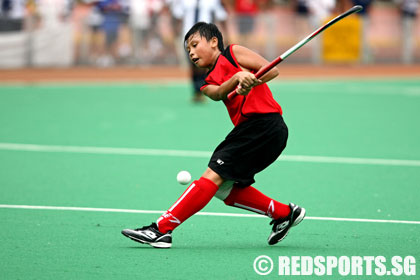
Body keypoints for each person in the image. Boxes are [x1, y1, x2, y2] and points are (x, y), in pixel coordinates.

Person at [122, 22, 305, 249]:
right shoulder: (207, 82)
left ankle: (161, 229)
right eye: (188, 50)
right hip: (250, 131)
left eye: (195, 45)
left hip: (265, 126)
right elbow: (218, 93)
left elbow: (272, 69)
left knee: (213, 176)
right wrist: (237, 79)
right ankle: (284, 214)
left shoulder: (233, 52)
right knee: (222, 188)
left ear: (214, 41)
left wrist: (251, 79)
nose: (191, 53)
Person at [168, 0, 228, 103]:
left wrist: (225, 34)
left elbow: (221, 16)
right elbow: (177, 16)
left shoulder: (213, 1)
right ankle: (197, 90)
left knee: (203, 64)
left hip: (206, 37)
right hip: (188, 37)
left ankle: (202, 89)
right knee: (193, 64)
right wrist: (175, 33)